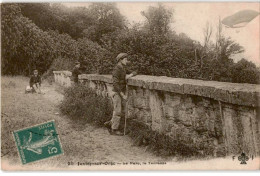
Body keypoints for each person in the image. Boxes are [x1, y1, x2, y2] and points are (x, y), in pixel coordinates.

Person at [104, 53, 137, 136]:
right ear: (120, 60)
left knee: (120, 110)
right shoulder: (117, 69)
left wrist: (130, 75)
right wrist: (122, 95)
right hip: (117, 92)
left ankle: (109, 124)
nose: (127, 61)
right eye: (125, 59)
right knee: (118, 111)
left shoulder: (123, 68)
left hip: (120, 92)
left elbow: (135, 71)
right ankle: (114, 130)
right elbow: (115, 84)